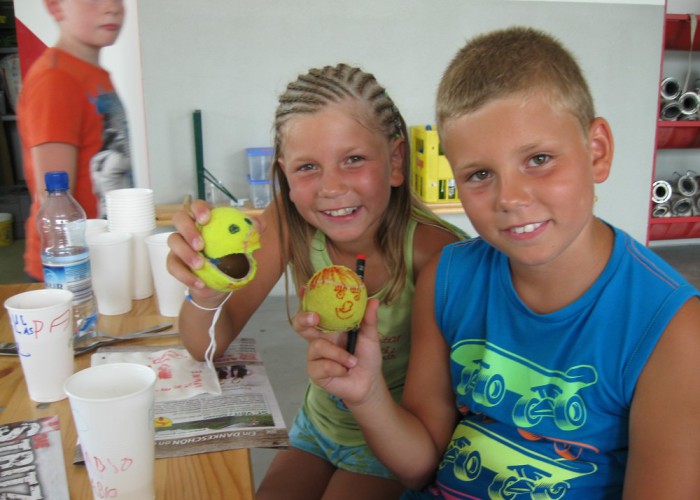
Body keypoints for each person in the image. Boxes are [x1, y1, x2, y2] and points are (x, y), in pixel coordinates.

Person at [303, 27, 700, 499]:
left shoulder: (672, 330)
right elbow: (419, 466)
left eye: (539, 159)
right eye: (480, 174)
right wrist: (368, 394)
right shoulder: (448, 278)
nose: (509, 198)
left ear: (597, 151)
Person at [167, 63, 465, 499]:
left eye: (354, 159)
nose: (331, 187)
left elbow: (422, 458)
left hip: (394, 442)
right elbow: (204, 346)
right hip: (317, 427)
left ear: (396, 161)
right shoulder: (290, 224)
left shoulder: (438, 257)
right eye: (308, 167)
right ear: (285, 174)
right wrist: (206, 292)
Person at [18, 0, 133, 281]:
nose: (112, 8)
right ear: (56, 7)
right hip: (70, 265)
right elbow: (54, 197)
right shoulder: (56, 79)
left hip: (102, 252)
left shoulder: (93, 75)